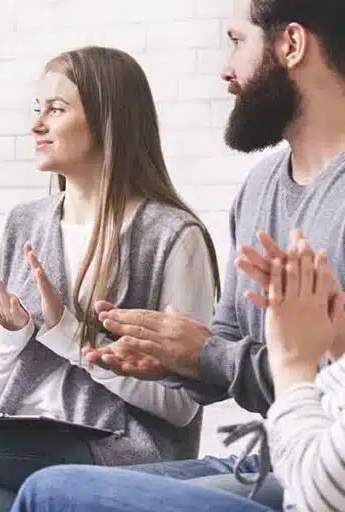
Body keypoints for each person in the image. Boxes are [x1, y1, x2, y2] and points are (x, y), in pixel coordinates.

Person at [0, 46, 221, 512]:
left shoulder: (172, 236)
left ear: (108, 120)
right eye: (38, 109)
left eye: (56, 109)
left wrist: (68, 337)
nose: (37, 125)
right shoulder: (25, 224)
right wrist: (14, 335)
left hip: (128, 451)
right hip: (35, 437)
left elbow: (181, 406)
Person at [79, 0, 345, 501]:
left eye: (237, 41)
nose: (226, 69)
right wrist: (172, 357)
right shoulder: (259, 186)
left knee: (54, 492)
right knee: (1, 500)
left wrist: (207, 355)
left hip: (321, 472)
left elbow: (324, 374)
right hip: (267, 454)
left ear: (291, 44)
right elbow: (227, 345)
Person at [11, 240, 345, 512]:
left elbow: (321, 493)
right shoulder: (260, 185)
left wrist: (291, 360)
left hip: (308, 473)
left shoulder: (172, 233)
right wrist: (179, 362)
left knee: (43, 489)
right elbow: (220, 355)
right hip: (287, 453)